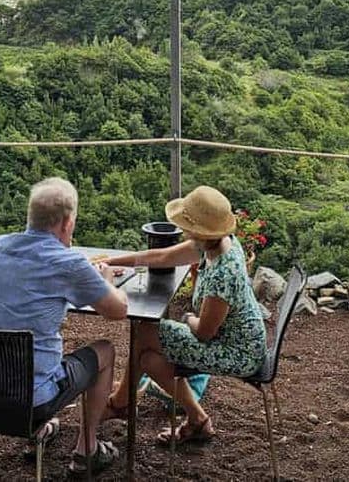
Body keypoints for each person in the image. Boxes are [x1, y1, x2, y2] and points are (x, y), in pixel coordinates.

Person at [0, 177, 128, 475]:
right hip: (31, 401)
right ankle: (87, 450)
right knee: (105, 351)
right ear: (68, 223)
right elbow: (118, 310)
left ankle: (34, 433)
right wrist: (105, 280)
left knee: (32, 339)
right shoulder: (69, 263)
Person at [101, 185, 266, 444]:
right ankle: (197, 420)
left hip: (238, 350)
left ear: (198, 230)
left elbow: (203, 332)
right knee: (147, 357)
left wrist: (187, 318)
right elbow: (162, 256)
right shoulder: (216, 244)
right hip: (235, 337)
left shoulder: (224, 272)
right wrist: (111, 262)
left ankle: (120, 403)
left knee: (145, 331)